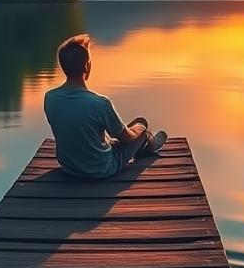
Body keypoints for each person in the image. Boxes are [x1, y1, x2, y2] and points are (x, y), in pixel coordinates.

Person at [44, 33, 167, 178]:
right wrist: (140, 128)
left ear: (63, 67)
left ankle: (143, 144)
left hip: (69, 167)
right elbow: (127, 139)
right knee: (141, 125)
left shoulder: (50, 98)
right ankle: (150, 143)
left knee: (116, 133)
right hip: (101, 168)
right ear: (87, 66)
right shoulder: (100, 103)